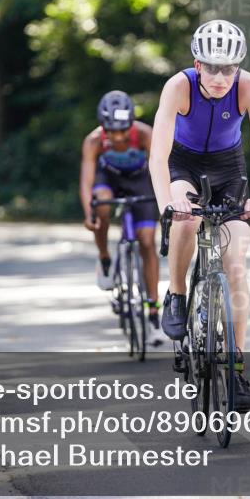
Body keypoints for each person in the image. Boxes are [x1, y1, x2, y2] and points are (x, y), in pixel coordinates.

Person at [149, 19, 250, 411]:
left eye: (229, 68)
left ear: (239, 67)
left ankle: (236, 367)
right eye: (211, 67)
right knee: (187, 217)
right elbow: (157, 156)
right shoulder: (178, 86)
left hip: (229, 167)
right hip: (183, 165)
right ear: (196, 63)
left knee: (235, 263)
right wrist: (167, 208)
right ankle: (176, 292)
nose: (221, 77)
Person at [81, 91, 162, 329]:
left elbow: (161, 167)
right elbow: (86, 182)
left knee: (147, 241)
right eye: (112, 130)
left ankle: (153, 303)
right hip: (109, 179)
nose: (117, 136)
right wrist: (89, 214)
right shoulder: (94, 141)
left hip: (140, 180)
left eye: (123, 130)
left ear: (131, 124)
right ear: (103, 126)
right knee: (102, 204)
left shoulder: (146, 134)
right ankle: (104, 256)